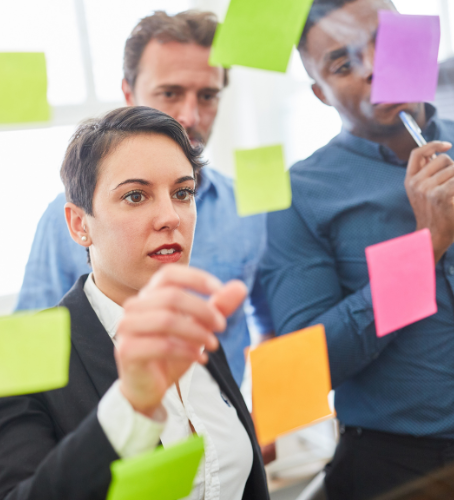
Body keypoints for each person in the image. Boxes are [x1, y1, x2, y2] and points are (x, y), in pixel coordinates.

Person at [259, 0, 454, 498]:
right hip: (391, 470)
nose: (373, 70)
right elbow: (307, 368)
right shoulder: (297, 196)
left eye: (386, 45)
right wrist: (423, 246)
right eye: (343, 64)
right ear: (320, 93)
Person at [0, 107, 269, 500]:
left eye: (182, 193)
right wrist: (130, 406)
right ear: (79, 224)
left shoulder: (195, 328)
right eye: (135, 196)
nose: (169, 217)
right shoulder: (21, 353)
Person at [15, 10, 272, 387]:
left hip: (222, 431)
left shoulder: (248, 207)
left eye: (207, 96)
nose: (190, 115)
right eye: (170, 93)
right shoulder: (72, 215)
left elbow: (273, 327)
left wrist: (260, 427)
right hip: (108, 435)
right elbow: (29, 353)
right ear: (128, 93)